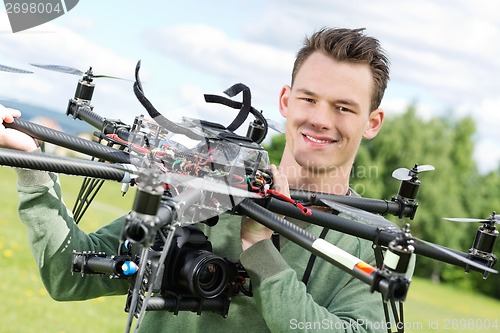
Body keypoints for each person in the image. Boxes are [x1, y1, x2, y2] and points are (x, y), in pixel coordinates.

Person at [0, 27, 389, 332]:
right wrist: (31, 164)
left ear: (372, 122)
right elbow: (68, 275)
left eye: (343, 107)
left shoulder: (372, 243)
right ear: (286, 100)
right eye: (309, 99)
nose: (320, 119)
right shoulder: (206, 187)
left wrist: (259, 249)